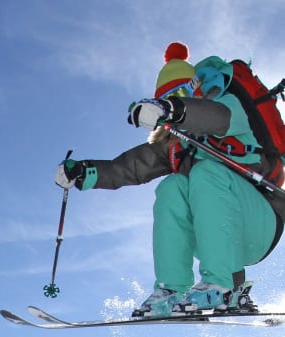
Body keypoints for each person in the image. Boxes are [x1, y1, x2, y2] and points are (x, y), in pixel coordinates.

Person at [54, 42, 284, 317]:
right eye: (167, 97)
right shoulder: (180, 147)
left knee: (204, 173)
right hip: (215, 238)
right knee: (171, 187)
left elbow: (215, 117)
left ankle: (224, 285)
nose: (175, 102)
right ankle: (171, 290)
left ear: (195, 90)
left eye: (181, 94)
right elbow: (133, 166)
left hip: (259, 224)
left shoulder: (229, 108)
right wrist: (83, 172)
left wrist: (173, 109)